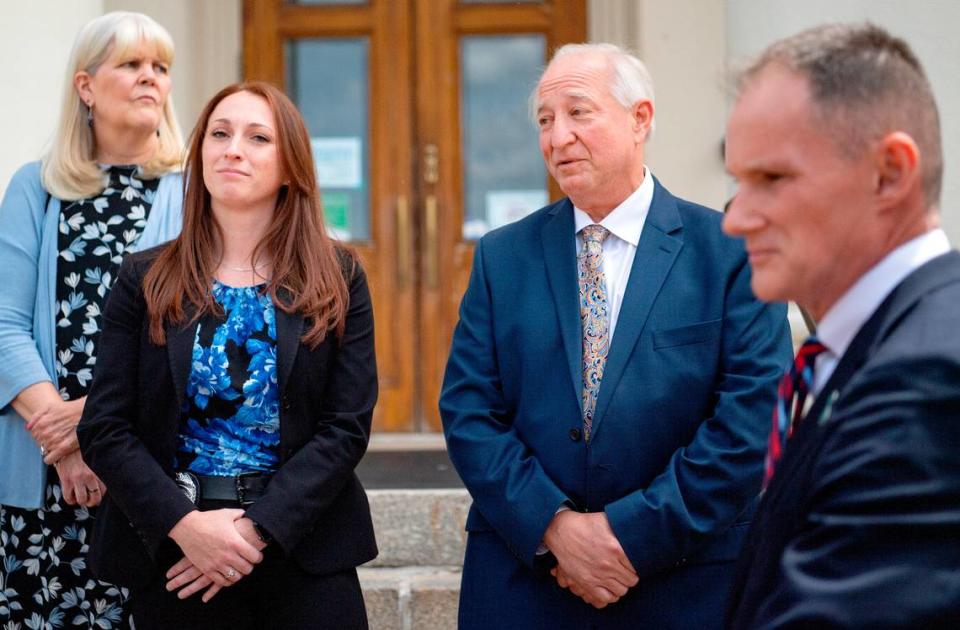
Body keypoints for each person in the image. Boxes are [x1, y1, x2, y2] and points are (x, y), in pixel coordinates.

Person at [439, 42, 792, 629]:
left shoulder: (730, 252)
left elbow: (751, 422)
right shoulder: (502, 258)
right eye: (546, 122)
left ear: (640, 118)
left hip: (686, 581)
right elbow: (469, 410)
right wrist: (556, 527)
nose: (557, 138)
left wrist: (627, 537)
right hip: (526, 582)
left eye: (579, 112)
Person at [76, 81, 378, 629]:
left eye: (257, 137)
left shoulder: (339, 278)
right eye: (220, 133)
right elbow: (105, 427)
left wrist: (253, 531)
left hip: (302, 544)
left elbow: (345, 428)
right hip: (177, 552)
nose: (232, 148)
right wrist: (188, 528)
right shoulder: (142, 278)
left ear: (291, 168)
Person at [723, 23, 960, 628]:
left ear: (889, 174)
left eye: (770, 179)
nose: (735, 219)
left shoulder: (925, 380)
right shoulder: (878, 347)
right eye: (737, 181)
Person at [0, 11, 183, 627]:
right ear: (86, 87)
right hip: (44, 477)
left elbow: (196, 338)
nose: (150, 79)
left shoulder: (194, 193)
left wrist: (95, 425)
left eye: (160, 67)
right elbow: (4, 326)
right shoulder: (36, 189)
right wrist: (64, 447)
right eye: (131, 65)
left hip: (150, 478)